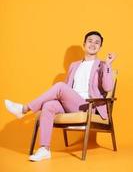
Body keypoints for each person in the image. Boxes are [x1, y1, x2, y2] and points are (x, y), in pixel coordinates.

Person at [4, 31, 117, 162]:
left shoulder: (102, 65)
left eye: (97, 42)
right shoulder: (74, 65)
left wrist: (108, 65)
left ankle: (24, 109)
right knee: (49, 105)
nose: (93, 44)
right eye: (90, 41)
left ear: (100, 47)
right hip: (71, 104)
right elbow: (67, 88)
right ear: (84, 44)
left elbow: (108, 88)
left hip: (88, 106)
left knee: (59, 86)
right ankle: (44, 149)